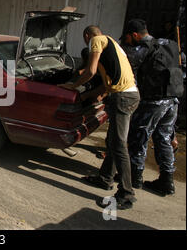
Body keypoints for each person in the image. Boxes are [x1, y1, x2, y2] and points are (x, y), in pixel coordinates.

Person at [59, 26, 140, 210]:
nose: (87, 44)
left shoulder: (97, 40)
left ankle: (127, 193)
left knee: (119, 145)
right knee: (113, 141)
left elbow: (90, 72)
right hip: (129, 95)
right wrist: (89, 96)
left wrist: (73, 86)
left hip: (123, 97)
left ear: (87, 35)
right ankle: (104, 178)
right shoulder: (113, 44)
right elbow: (107, 82)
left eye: (85, 39)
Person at [123, 19, 183, 196]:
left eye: (128, 38)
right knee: (163, 137)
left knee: (139, 136)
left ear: (135, 35)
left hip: (154, 101)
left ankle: (135, 177)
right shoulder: (168, 44)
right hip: (173, 99)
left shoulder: (145, 47)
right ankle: (167, 181)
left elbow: (130, 64)